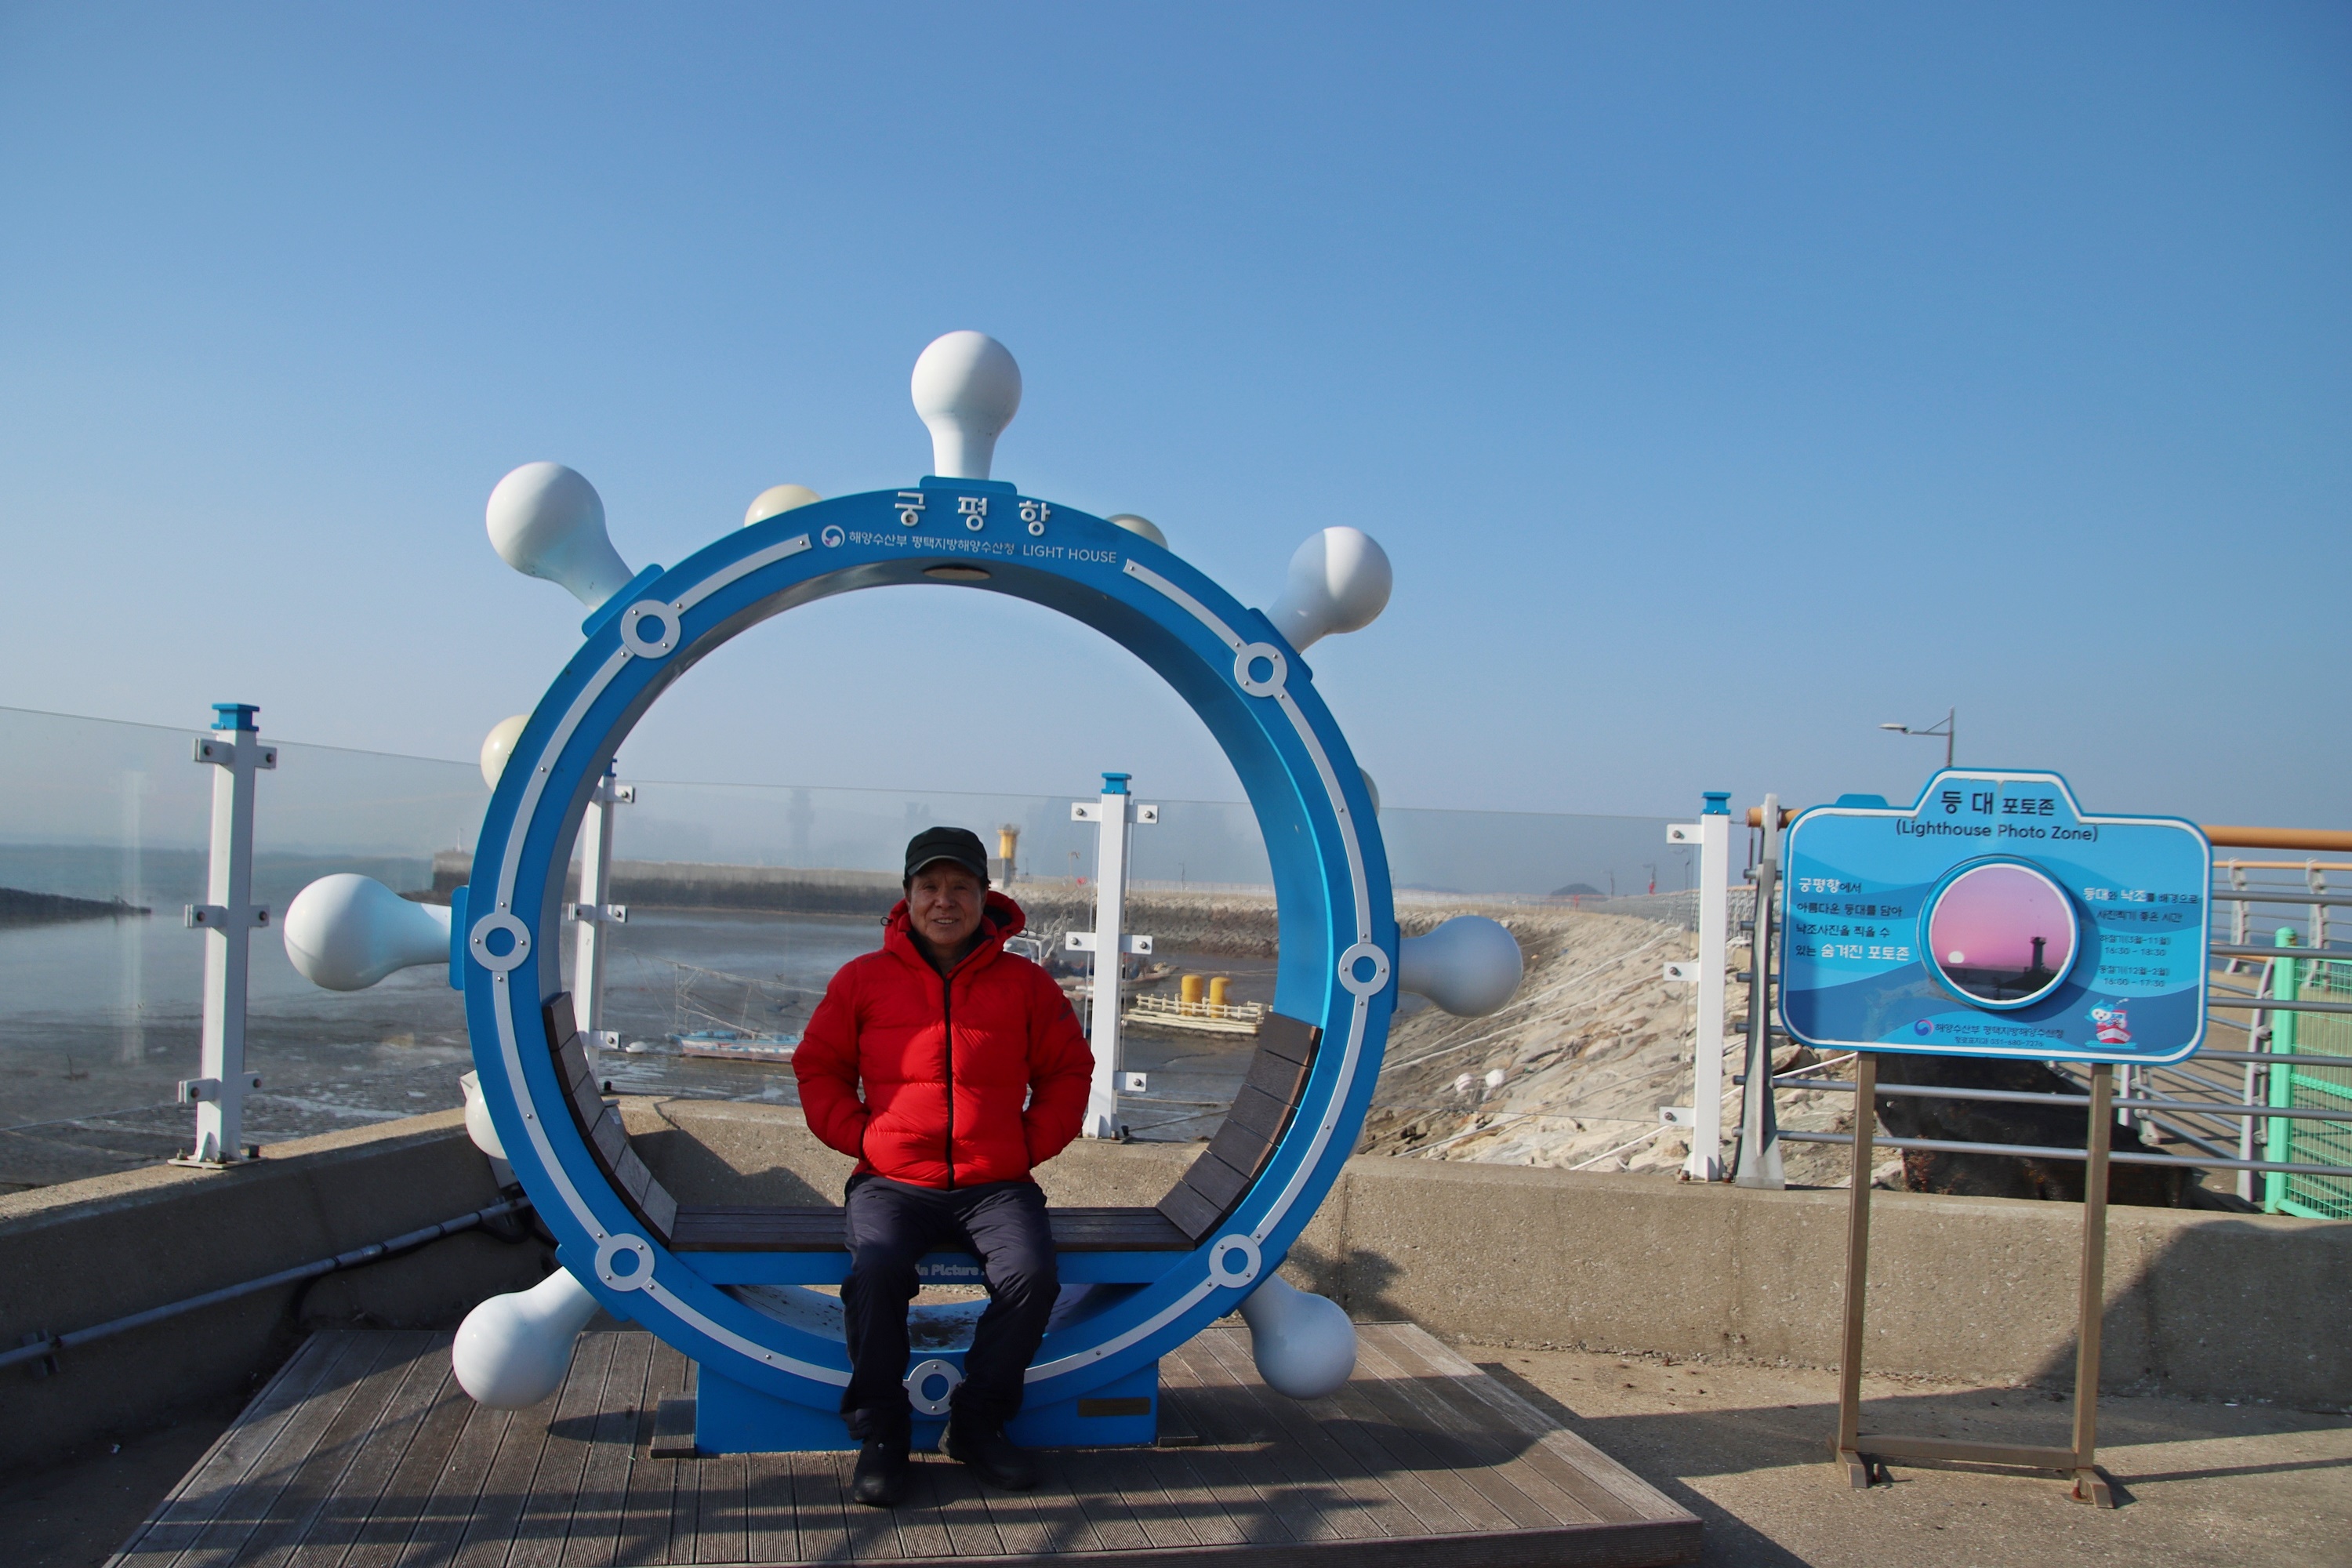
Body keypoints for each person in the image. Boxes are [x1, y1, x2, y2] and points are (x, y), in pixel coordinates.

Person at [793, 826, 1094, 1508]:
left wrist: (1024, 1147)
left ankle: (978, 1422)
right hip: (891, 1182)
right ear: (907, 897)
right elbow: (818, 1067)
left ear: (986, 897)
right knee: (876, 1271)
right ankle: (882, 1430)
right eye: (929, 886)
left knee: (1031, 1278)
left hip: (996, 1185)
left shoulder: (1027, 984)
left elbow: (1068, 1071)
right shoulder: (862, 980)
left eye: (960, 887)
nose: (944, 900)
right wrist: (865, 1139)